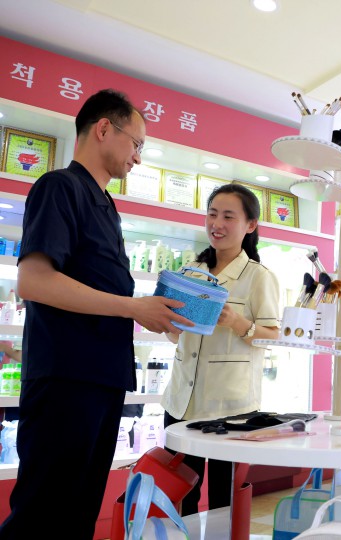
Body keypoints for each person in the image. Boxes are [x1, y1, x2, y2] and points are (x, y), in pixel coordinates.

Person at [0, 89, 192, 539]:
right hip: (67, 379)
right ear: (104, 128)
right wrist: (133, 307)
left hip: (102, 380)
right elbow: (35, 282)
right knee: (43, 513)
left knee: (79, 510)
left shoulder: (107, 206)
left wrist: (151, 309)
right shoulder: (60, 187)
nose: (138, 157)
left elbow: (100, 288)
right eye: (137, 143)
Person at [162, 183, 281, 515]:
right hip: (181, 401)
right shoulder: (190, 272)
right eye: (212, 214)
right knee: (178, 493)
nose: (217, 224)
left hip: (231, 408)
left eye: (228, 216)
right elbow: (177, 337)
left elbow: (274, 337)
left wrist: (237, 322)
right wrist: (170, 325)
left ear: (250, 225)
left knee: (224, 500)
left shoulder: (258, 277)